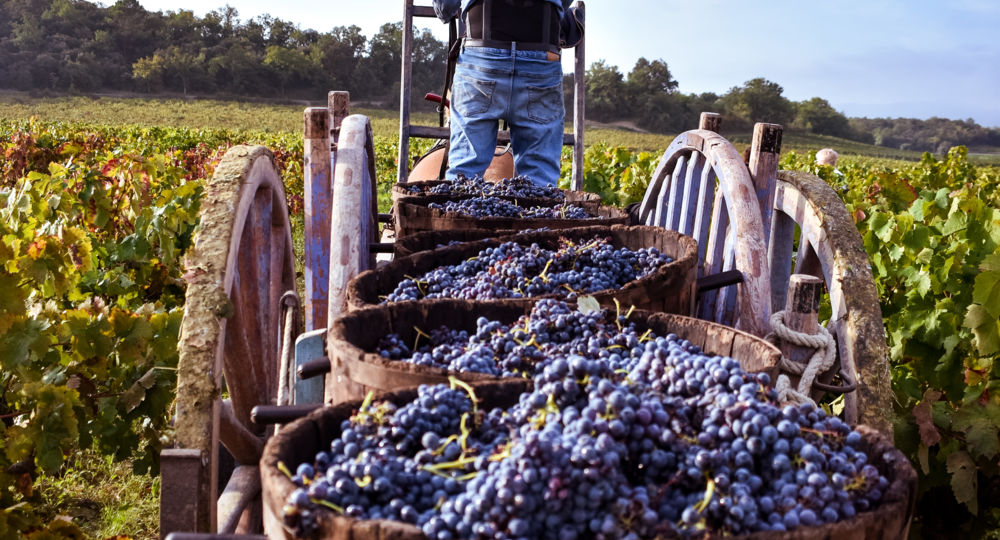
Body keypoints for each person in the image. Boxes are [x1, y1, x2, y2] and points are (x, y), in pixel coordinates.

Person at [432, 0, 584, 187]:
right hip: (541, 56)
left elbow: (446, 6)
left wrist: (444, 10)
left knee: (464, 174)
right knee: (539, 182)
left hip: (483, 56)